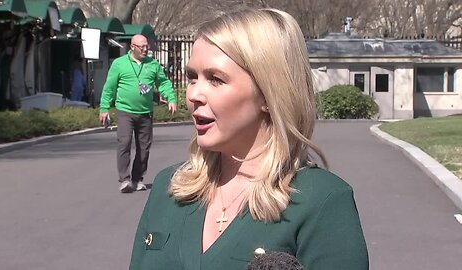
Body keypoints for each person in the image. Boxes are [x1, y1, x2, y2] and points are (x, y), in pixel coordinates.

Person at [129, 8, 368, 270]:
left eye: (215, 79)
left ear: (268, 93)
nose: (194, 94)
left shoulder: (322, 200)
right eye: (192, 77)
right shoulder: (169, 188)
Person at [99, 34, 177, 193]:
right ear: (132, 47)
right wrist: (104, 108)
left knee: (144, 147)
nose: (145, 49)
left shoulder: (152, 64)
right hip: (125, 111)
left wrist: (171, 98)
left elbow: (163, 83)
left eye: (146, 46)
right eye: (141, 47)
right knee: (125, 142)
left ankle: (137, 179)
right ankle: (125, 179)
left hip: (145, 112)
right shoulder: (119, 64)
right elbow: (109, 88)